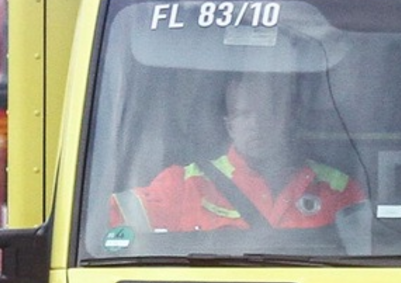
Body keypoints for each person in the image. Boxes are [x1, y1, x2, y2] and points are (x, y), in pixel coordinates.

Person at [111, 71, 365, 231]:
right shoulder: (186, 184)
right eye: (243, 114)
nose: (256, 125)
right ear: (229, 126)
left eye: (268, 114)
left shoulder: (338, 189)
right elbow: (102, 227)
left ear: (289, 119)